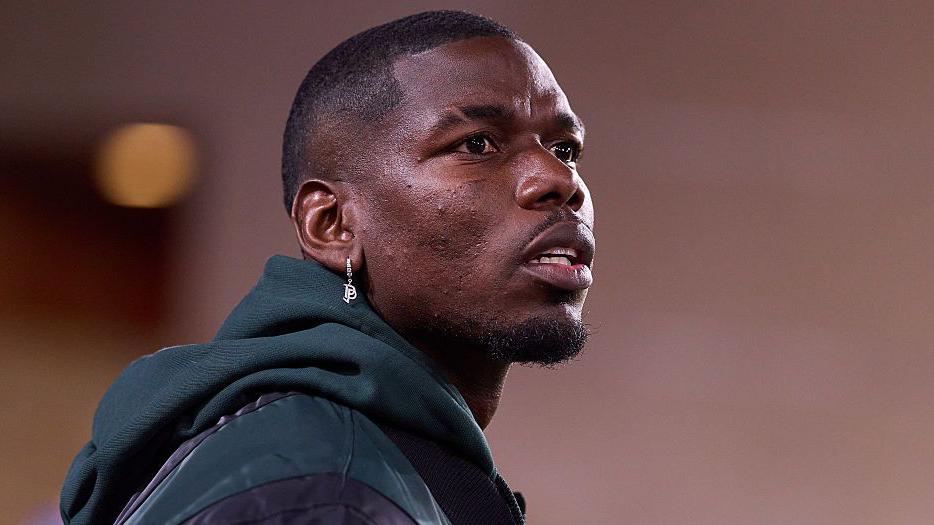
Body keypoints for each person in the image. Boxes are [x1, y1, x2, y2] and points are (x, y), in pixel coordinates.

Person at [61, 10, 595, 525]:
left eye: (565, 149)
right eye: (477, 144)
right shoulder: (321, 491)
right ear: (333, 226)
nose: (560, 179)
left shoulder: (355, 460)